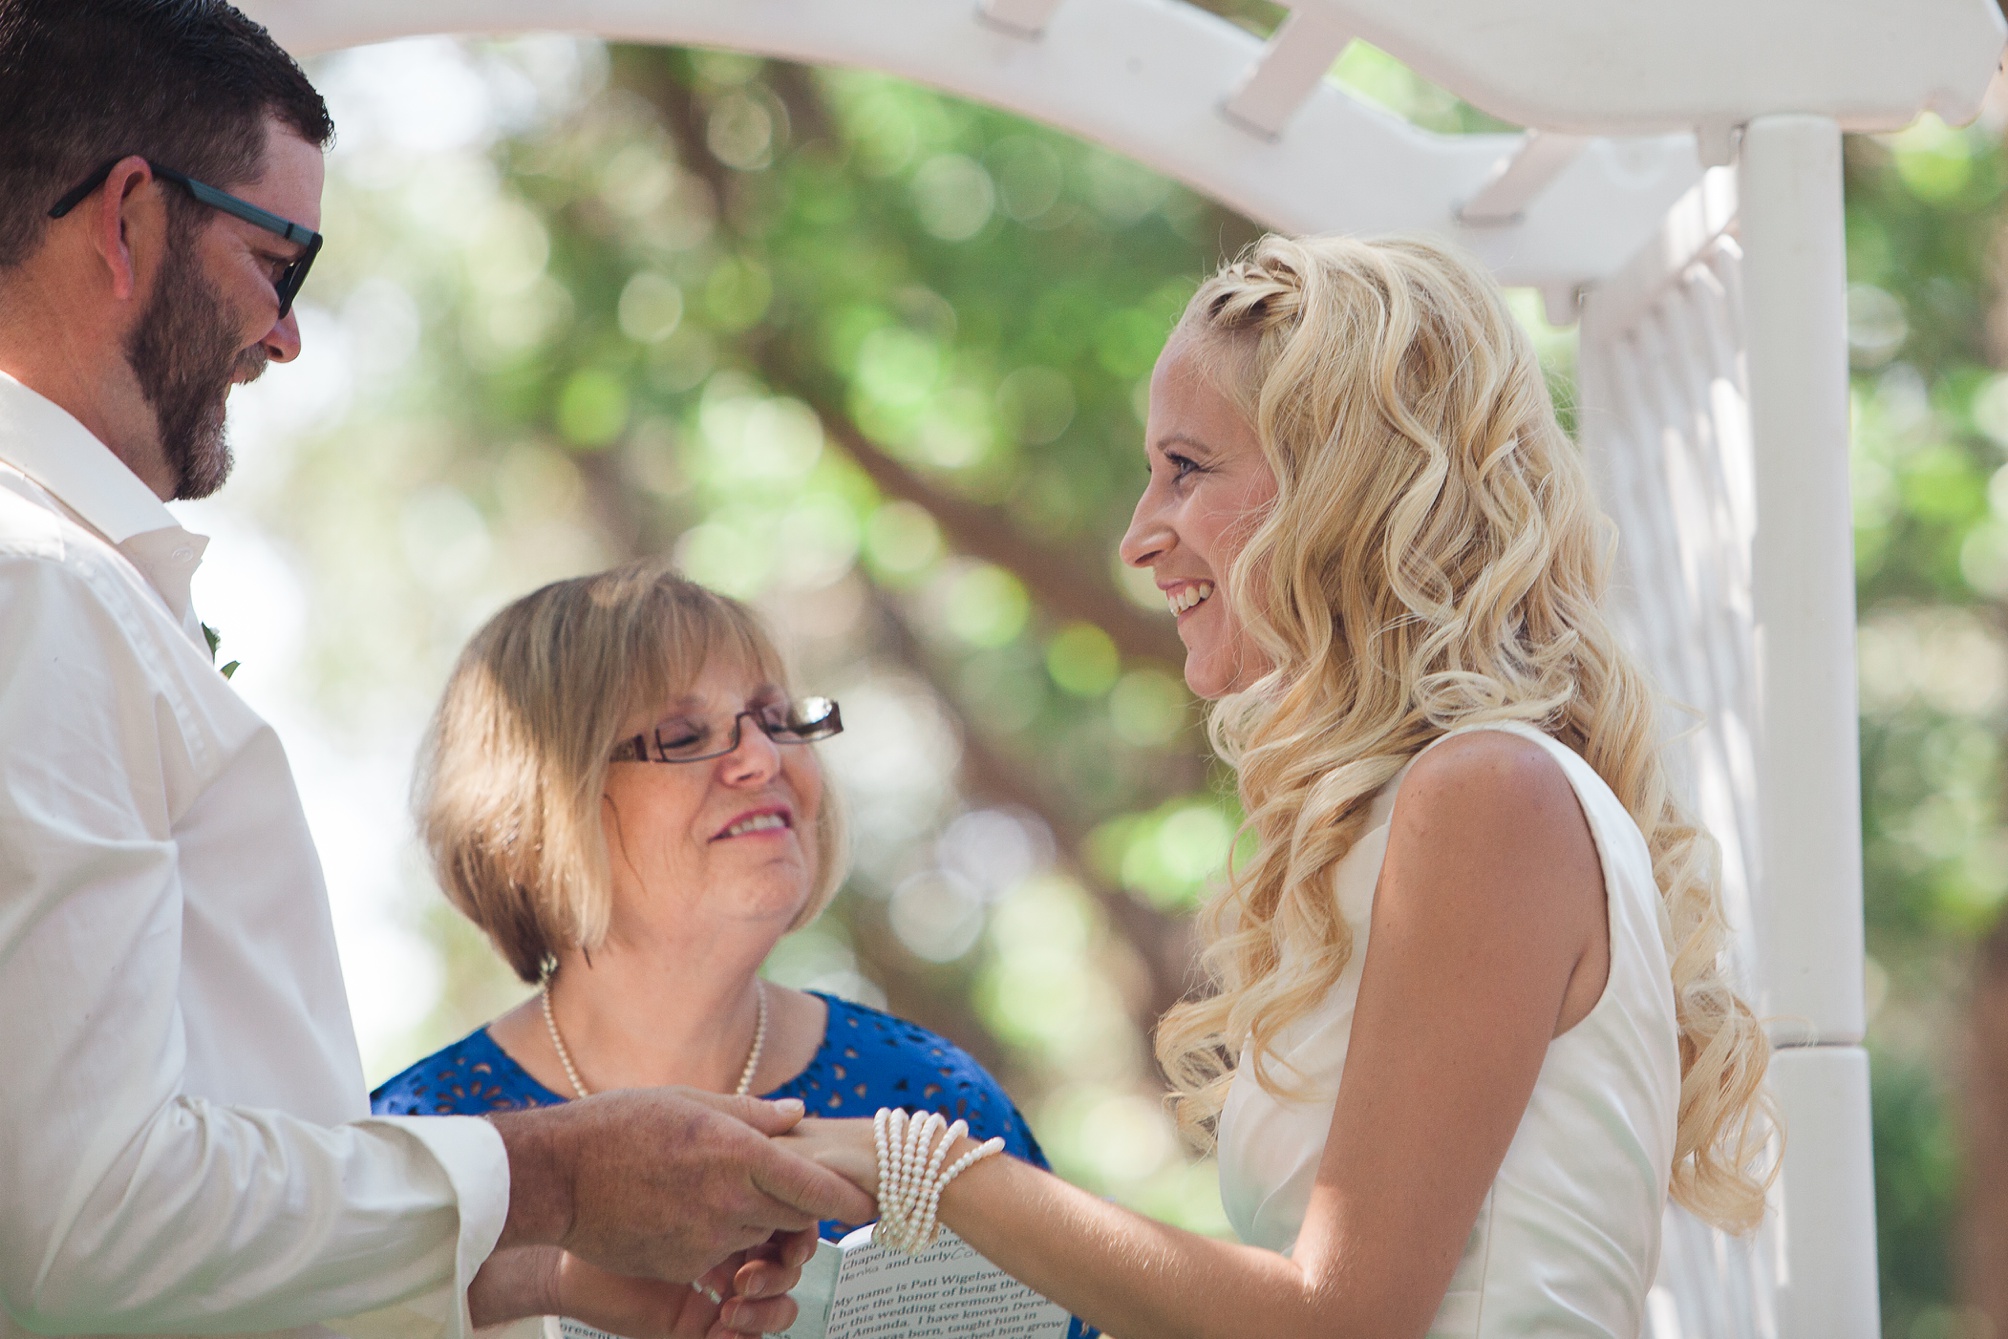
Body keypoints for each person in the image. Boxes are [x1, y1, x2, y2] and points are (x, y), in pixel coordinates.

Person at [0, 5, 871, 1339]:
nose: (284, 335)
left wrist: (546, 1273)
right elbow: (82, 1221)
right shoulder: (35, 588)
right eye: (277, 259)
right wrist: (558, 1175)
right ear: (128, 219)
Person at [784, 234, 1778, 1338]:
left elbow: (1337, 1318)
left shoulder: (1488, 794)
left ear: (1342, 479)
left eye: (1186, 468)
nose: (1136, 536)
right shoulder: (1426, 804)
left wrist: (924, 1164)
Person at [372, 561, 1048, 1248]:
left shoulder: (931, 1101)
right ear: (540, 809)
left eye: (777, 720)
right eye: (686, 735)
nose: (763, 757)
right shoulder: (409, 1152)